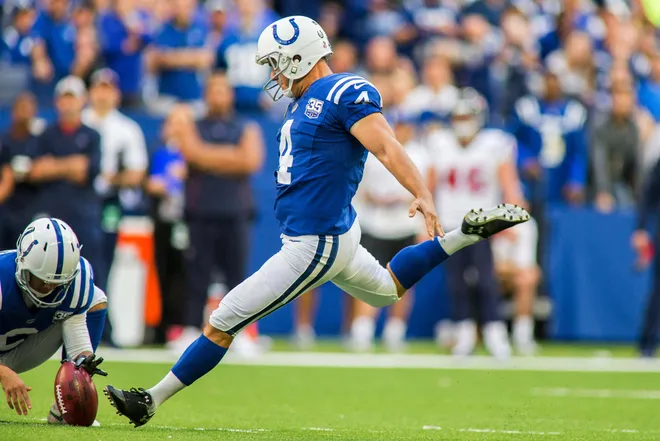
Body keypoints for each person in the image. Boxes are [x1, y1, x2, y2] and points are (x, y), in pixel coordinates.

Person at [105, 16, 529, 426]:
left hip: (316, 240)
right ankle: (464, 235)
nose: (272, 73)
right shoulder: (305, 101)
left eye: (275, 62)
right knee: (386, 291)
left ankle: (150, 400)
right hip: (331, 234)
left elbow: (386, 145)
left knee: (223, 319)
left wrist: (421, 191)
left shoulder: (343, 91)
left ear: (297, 57)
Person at [167, 72, 264, 352]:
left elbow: (250, 160)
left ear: (230, 95)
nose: (218, 95)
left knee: (237, 277)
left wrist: (208, 157)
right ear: (206, 94)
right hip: (201, 210)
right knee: (197, 274)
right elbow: (192, 153)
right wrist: (230, 157)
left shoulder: (245, 126)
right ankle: (189, 329)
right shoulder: (192, 125)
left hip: (236, 211)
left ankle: (241, 333)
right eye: (214, 90)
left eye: (223, 90)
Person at [427, 88, 527, 359]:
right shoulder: (439, 142)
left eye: (466, 116)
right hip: (449, 223)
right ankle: (465, 333)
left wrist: (510, 224)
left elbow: (510, 185)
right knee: (456, 283)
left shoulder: (494, 144)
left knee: (486, 280)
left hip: (482, 224)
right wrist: (425, 222)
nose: (462, 121)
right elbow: (429, 186)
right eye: (458, 116)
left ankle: (495, 333)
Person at [0, 218, 107, 424]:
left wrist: (82, 362)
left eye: (58, 283)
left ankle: (64, 409)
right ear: (22, 265)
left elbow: (74, 325)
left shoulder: (76, 282)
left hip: (14, 351)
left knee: (95, 298)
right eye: (43, 280)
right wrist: (3, 373)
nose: (49, 288)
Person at [29, 76, 105, 292]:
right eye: (65, 98)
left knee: (89, 277)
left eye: (73, 98)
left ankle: (94, 325)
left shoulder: (92, 135)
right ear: (57, 102)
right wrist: (71, 165)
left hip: (83, 217)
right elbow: (37, 171)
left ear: (83, 101)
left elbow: (86, 171)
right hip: (52, 216)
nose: (69, 104)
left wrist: (53, 166)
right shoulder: (45, 135)